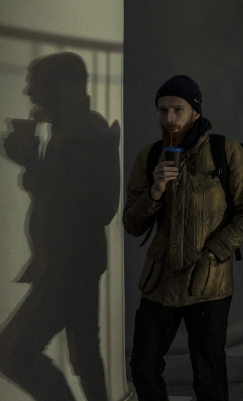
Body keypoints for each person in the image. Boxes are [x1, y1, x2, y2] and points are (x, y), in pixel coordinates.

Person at [123, 75, 243, 401]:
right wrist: (155, 192)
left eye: (178, 109)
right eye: (163, 110)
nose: (169, 118)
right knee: (143, 366)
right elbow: (131, 223)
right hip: (161, 280)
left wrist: (215, 251)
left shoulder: (224, 150)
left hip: (208, 282)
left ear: (195, 112)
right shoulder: (150, 156)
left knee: (208, 373)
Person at [0, 53, 120, 401]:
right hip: (71, 262)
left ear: (61, 89)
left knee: (17, 353)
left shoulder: (86, 134)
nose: (29, 92)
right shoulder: (74, 130)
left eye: (36, 83)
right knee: (85, 353)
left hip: (69, 265)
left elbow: (83, 207)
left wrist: (31, 163)